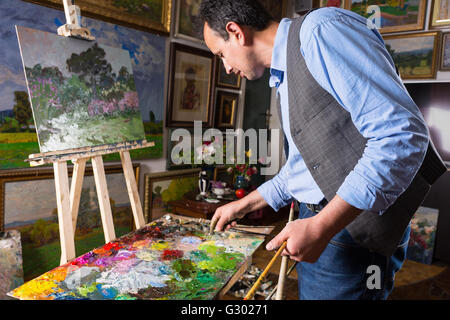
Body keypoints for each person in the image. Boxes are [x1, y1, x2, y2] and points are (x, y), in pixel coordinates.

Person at [199, 0, 447, 300]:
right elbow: (306, 167)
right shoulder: (286, 70)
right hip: (326, 225)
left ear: (236, 31)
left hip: (349, 232)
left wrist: (322, 226)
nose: (226, 66)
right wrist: (245, 204)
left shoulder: (321, 30)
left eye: (221, 54)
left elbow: (400, 136)